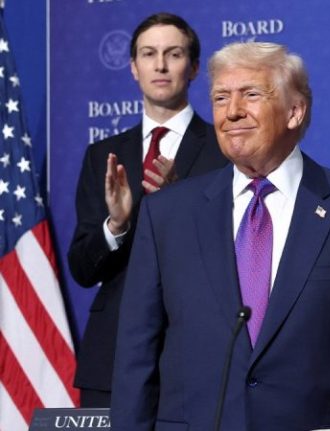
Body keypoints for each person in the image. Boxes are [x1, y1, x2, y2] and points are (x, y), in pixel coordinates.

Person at [109, 41, 330, 430]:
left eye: (250, 95)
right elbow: (136, 355)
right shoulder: (167, 215)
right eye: (220, 98)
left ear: (295, 111)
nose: (232, 111)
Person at [67, 12, 227, 407]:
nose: (160, 65)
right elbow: (83, 269)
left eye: (173, 54)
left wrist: (179, 202)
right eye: (148, 54)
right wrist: (116, 225)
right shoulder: (102, 155)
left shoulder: (226, 151)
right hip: (113, 357)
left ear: (193, 68)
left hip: (198, 353)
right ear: (134, 68)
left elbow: (236, 255)